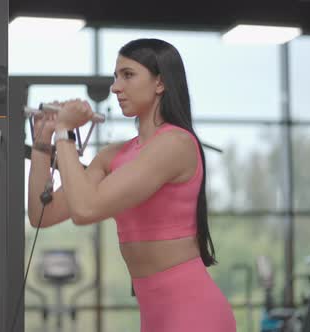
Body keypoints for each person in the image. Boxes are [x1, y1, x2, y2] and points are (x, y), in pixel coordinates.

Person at [27, 38, 236, 332]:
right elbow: (42, 215)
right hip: (153, 316)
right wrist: (42, 142)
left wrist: (63, 131)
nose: (115, 87)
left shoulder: (176, 144)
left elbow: (86, 209)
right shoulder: (113, 155)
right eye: (115, 76)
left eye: (127, 75)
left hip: (194, 313)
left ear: (160, 82)